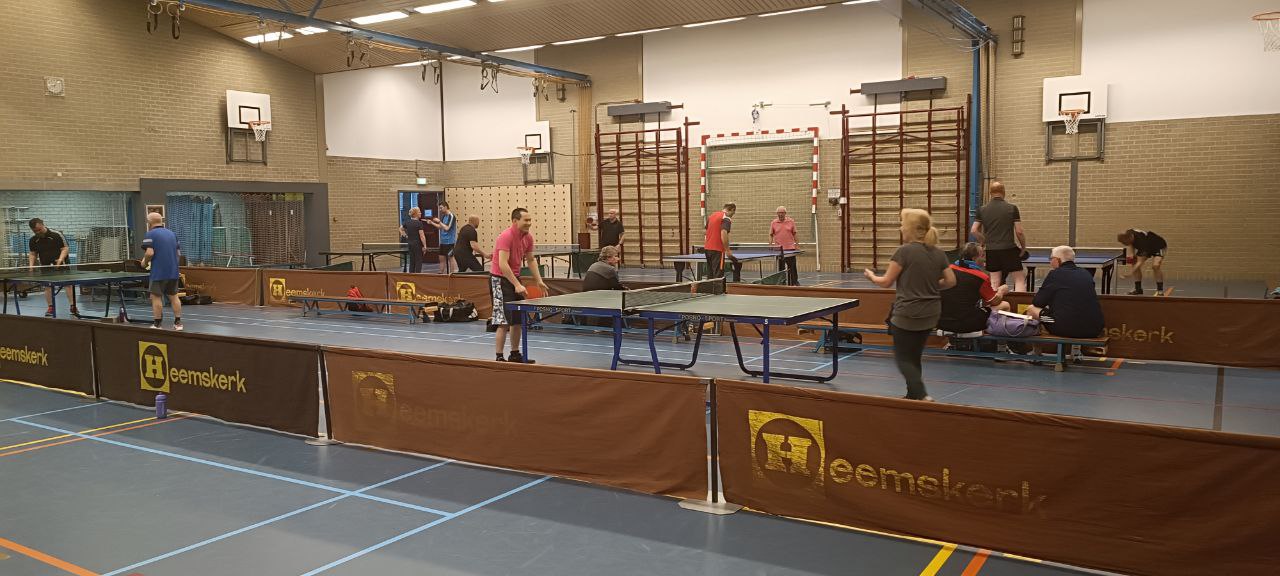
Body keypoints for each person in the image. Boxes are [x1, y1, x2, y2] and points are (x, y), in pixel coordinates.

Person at [864, 209, 955, 401]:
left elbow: (886, 282)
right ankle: (913, 395)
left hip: (908, 313)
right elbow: (950, 281)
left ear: (910, 228)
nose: (900, 228)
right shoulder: (938, 253)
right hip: (931, 313)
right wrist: (931, 285)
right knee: (914, 356)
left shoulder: (904, 252)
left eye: (902, 224)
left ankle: (921, 394)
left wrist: (871, 276)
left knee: (903, 358)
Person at [490, 208, 548, 363]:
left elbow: (531, 260)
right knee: (503, 321)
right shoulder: (505, 236)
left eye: (530, 220)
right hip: (499, 279)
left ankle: (514, 354)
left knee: (517, 320)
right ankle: (499, 356)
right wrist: (516, 284)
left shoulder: (528, 237)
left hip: (514, 278)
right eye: (526, 220)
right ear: (515, 221)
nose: (529, 223)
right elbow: (502, 264)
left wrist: (539, 280)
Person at [1026, 246, 1105, 338]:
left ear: (1057, 260)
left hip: (1065, 327)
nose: (1050, 262)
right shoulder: (1086, 273)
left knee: (1031, 309)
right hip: (1095, 328)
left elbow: (1037, 302)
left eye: (1051, 259)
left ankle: (1036, 347)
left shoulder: (1055, 274)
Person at [939, 242, 1010, 337]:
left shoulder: (947, 270)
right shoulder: (981, 277)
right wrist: (1001, 290)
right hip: (966, 324)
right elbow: (994, 302)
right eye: (982, 256)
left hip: (941, 322)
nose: (984, 259)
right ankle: (1001, 343)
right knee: (1005, 305)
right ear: (974, 258)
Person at [970, 181, 1028, 292]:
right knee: (1019, 279)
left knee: (994, 282)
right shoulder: (1012, 208)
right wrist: (1023, 247)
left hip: (992, 250)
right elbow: (1019, 232)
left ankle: (994, 302)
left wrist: (984, 241)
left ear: (990, 192)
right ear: (1003, 192)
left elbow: (974, 230)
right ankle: (1020, 303)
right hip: (1009, 248)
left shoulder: (982, 209)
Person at [140, 212, 184, 330]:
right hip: (173, 272)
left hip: (158, 272)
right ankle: (178, 323)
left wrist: (144, 263)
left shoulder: (150, 234)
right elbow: (178, 254)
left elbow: (149, 253)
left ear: (149, 222)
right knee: (174, 296)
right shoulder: (172, 234)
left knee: (156, 297)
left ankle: (157, 324)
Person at [27, 218, 77, 317]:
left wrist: (60, 259)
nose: (37, 232)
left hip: (61, 264)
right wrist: (31, 267)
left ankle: (73, 306)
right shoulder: (33, 240)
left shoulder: (56, 235)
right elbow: (33, 253)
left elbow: (65, 248)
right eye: (35, 231)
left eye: (39, 229)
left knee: (68, 285)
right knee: (48, 286)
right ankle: (50, 307)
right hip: (46, 265)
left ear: (43, 225)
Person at [1117, 229, 1167, 296]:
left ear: (1129, 238)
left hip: (1158, 246)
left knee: (1156, 266)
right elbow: (1131, 244)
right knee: (1134, 261)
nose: (1124, 244)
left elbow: (1140, 262)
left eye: (1124, 242)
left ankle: (1160, 290)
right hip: (1146, 244)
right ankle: (1138, 289)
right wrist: (1132, 254)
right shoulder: (1129, 233)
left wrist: (1129, 274)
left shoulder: (1142, 243)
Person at [703, 202, 736, 280]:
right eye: (734, 212)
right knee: (718, 276)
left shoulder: (712, 216)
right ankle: (717, 288)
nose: (733, 214)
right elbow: (723, 233)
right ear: (732, 209)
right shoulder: (726, 218)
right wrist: (727, 250)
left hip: (707, 249)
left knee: (710, 274)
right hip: (717, 250)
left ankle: (709, 288)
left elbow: (705, 231)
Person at [769, 205, 800, 286]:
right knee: (780, 268)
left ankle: (794, 282)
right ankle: (781, 282)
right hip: (779, 250)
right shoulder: (773, 223)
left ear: (785, 213)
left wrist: (797, 245)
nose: (780, 214)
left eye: (782, 213)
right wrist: (770, 245)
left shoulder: (791, 221)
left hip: (790, 249)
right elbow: (771, 235)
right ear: (777, 214)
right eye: (779, 213)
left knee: (792, 267)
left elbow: (795, 234)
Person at [429, 201, 458, 273]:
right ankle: (441, 273)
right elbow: (440, 227)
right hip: (443, 241)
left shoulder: (451, 216)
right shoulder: (444, 216)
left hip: (450, 242)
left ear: (445, 207)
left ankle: (452, 273)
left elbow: (447, 228)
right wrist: (432, 223)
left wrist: (439, 222)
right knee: (441, 258)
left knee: (450, 258)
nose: (440, 210)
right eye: (439, 208)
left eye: (441, 208)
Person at [403, 207, 427, 273]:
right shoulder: (419, 223)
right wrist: (425, 246)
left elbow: (400, 229)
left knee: (412, 261)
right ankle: (418, 276)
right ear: (416, 214)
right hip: (417, 245)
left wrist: (405, 235)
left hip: (410, 244)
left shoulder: (407, 222)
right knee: (418, 261)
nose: (420, 213)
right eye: (419, 212)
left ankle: (411, 276)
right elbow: (422, 236)